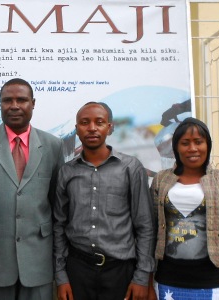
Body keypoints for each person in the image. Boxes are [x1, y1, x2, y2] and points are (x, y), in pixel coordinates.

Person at [0, 78, 64, 300]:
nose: (15, 105)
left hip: (38, 261)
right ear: (0, 104)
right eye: (8, 100)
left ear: (33, 103)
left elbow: (58, 205)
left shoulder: (53, 146)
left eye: (22, 100)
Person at [53, 102, 155, 300]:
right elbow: (59, 226)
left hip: (120, 270)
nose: (92, 128)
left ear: (109, 127)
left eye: (99, 122)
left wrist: (142, 277)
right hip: (78, 271)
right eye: (84, 122)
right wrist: (61, 276)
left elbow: (145, 226)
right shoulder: (67, 172)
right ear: (76, 129)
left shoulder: (131, 168)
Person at [148, 117, 219, 300]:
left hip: (214, 283)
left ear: (207, 145)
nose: (192, 149)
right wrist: (148, 284)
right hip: (168, 281)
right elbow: (150, 234)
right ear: (176, 147)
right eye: (185, 143)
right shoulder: (161, 180)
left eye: (198, 142)